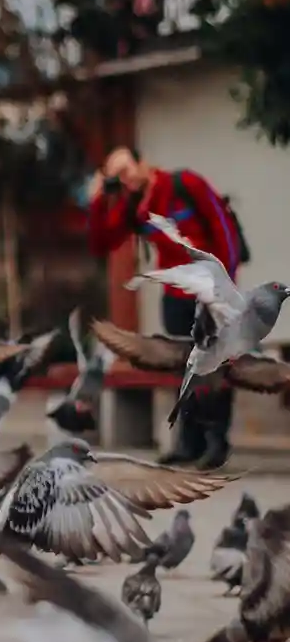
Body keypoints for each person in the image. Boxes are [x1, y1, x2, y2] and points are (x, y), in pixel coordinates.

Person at [88, 145, 242, 469]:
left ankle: (217, 442)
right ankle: (189, 443)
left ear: (142, 163)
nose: (126, 179)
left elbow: (223, 228)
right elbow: (101, 242)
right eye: (117, 177)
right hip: (175, 295)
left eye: (127, 169)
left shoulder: (185, 184)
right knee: (183, 369)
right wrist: (99, 197)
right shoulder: (135, 207)